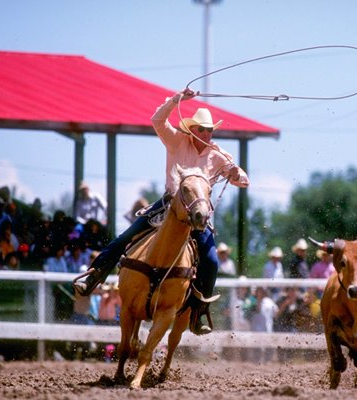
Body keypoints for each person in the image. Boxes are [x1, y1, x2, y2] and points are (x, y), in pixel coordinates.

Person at [74, 88, 249, 336]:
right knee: (126, 238)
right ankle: (94, 276)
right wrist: (177, 99)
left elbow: (243, 180)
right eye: (202, 129)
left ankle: (199, 312)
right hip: (169, 204)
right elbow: (157, 120)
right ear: (192, 130)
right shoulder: (177, 140)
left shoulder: (219, 155)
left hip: (197, 214)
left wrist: (235, 174)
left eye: (210, 130)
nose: (207, 133)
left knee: (210, 260)